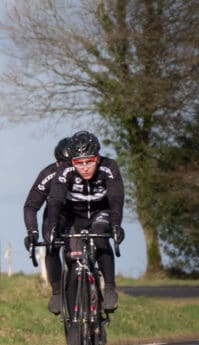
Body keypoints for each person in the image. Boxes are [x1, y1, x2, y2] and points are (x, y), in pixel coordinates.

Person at [45, 130, 125, 329]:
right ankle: (73, 315)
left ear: (97, 158)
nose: (85, 167)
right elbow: (55, 201)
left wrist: (116, 225)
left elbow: (116, 200)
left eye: (89, 162)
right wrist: (52, 227)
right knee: (72, 258)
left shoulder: (109, 167)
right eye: (79, 163)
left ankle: (110, 288)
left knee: (100, 235)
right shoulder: (65, 170)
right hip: (75, 216)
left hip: (101, 212)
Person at [24, 137, 73, 315]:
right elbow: (31, 206)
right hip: (56, 215)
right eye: (62, 164)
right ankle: (57, 291)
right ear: (56, 163)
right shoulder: (49, 174)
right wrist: (32, 231)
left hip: (81, 215)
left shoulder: (85, 172)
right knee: (50, 244)